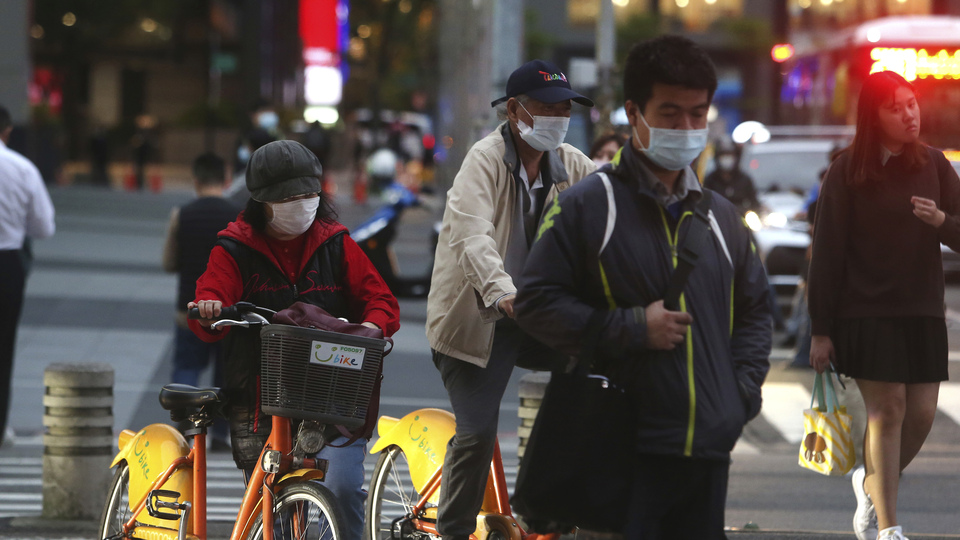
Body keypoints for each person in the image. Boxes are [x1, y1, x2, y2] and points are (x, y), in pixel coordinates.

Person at [514, 36, 772, 539]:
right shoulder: (590, 205)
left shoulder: (722, 217)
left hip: (706, 451)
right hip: (619, 447)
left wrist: (740, 396)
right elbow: (536, 303)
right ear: (635, 112)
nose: (687, 128)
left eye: (698, 114)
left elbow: (757, 310)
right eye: (671, 113)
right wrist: (632, 327)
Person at [188, 140, 400, 540]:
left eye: (309, 194)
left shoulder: (335, 243)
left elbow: (381, 300)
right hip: (260, 401)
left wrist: (372, 325)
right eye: (290, 197)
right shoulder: (234, 249)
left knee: (342, 489)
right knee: (274, 514)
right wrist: (212, 306)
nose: (302, 203)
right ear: (263, 200)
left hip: (335, 396)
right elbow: (208, 304)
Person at [425, 59, 596, 540]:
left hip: (542, 317)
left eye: (565, 108)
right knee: (477, 433)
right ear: (515, 111)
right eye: (547, 107)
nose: (558, 118)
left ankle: (554, 508)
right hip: (479, 319)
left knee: (595, 385)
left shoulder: (575, 165)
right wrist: (503, 294)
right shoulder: (482, 161)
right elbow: (471, 235)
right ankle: (453, 531)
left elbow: (610, 222)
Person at [808, 70, 959, 540]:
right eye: (895, 107)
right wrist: (820, 328)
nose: (908, 114)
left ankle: (870, 481)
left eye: (911, 103)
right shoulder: (847, 169)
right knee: (887, 410)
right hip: (865, 309)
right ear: (874, 116)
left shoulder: (935, 164)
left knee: (921, 414)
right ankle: (889, 526)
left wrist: (940, 221)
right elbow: (827, 251)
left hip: (923, 309)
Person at [161, 152, 239, 449]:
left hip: (189, 309)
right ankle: (220, 434)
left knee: (187, 365)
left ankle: (183, 425)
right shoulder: (237, 216)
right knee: (225, 372)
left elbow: (169, 262)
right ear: (226, 178)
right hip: (227, 312)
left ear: (196, 180)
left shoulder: (182, 214)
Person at [0, 104, 56, 445]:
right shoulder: (21, 168)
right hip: (7, 263)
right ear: (6, 131)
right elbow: (44, 226)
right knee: (4, 346)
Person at [703, 138, 760, 212]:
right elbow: (705, 204)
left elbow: (754, 202)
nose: (727, 158)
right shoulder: (710, 180)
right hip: (717, 219)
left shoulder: (745, 179)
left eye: (730, 154)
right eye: (723, 155)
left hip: (741, 219)